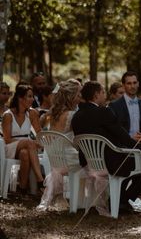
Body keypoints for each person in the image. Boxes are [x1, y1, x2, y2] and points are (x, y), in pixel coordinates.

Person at [72, 81, 141, 212]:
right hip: (111, 163)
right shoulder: (103, 112)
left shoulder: (76, 116)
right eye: (103, 92)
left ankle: (120, 200)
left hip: (89, 163)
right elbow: (123, 137)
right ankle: (123, 199)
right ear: (96, 95)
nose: (104, 95)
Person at [37, 79, 83, 210]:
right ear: (71, 96)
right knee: (93, 161)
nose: (81, 97)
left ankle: (66, 198)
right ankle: (86, 199)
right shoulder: (72, 115)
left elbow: (42, 129)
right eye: (79, 94)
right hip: (69, 160)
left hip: (54, 158)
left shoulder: (51, 114)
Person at [2, 84, 45, 193]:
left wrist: (43, 140)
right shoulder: (8, 115)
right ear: (20, 98)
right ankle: (41, 180)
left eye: (32, 96)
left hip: (27, 147)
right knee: (29, 143)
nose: (32, 99)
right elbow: (7, 139)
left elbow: (39, 133)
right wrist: (28, 142)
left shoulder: (32, 113)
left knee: (25, 154)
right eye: (29, 96)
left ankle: (22, 188)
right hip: (10, 146)